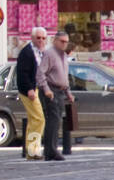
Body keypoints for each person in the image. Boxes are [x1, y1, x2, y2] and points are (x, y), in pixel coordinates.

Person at [37, 30, 75, 161]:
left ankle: (52, 150)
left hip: (60, 91)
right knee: (53, 121)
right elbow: (41, 73)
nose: (64, 44)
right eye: (62, 41)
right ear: (55, 41)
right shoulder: (50, 54)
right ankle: (50, 151)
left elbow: (64, 77)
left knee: (56, 121)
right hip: (51, 90)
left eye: (66, 42)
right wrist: (47, 90)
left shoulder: (63, 56)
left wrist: (68, 93)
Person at [15, 27, 48, 160]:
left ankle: (31, 151)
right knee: (39, 119)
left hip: (36, 88)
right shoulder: (27, 52)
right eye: (38, 38)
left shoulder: (40, 51)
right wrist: (29, 89)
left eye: (43, 38)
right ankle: (33, 150)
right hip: (29, 90)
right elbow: (22, 73)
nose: (41, 40)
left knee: (33, 120)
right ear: (32, 38)